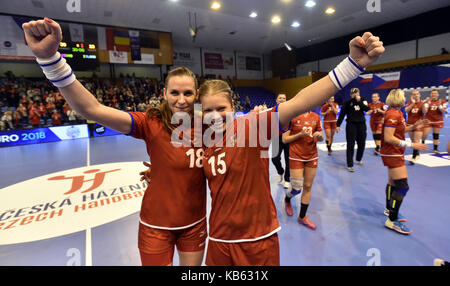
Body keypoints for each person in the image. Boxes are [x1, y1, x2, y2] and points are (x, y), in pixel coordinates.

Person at [22, 18, 207, 266]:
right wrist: (50, 60)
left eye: (187, 93)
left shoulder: (209, 126)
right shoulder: (149, 122)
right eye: (174, 92)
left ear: (196, 94)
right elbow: (92, 109)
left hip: (195, 224)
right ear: (164, 94)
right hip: (155, 226)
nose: (181, 99)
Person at [197, 31, 384, 265]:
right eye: (208, 110)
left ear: (232, 105)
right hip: (219, 240)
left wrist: (352, 66)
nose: (215, 116)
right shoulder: (201, 140)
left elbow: (300, 102)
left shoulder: (252, 126)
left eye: (221, 108)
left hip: (258, 239)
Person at [380, 89, 428, 234]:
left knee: (393, 183)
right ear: (398, 98)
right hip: (392, 153)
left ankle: (389, 210)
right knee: (402, 186)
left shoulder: (397, 112)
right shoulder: (393, 114)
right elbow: (389, 137)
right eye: (403, 96)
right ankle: (392, 220)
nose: (405, 98)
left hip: (393, 152)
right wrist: (411, 144)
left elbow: (398, 131)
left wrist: (413, 127)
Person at [282, 110, 323, 230]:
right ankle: (287, 199)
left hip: (312, 155)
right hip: (296, 155)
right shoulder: (292, 116)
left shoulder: (315, 117)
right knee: (296, 188)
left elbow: (320, 136)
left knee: (308, 186)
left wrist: (319, 136)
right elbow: (285, 139)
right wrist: (300, 134)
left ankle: (302, 217)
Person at [336, 88, 370, 172]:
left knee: (362, 143)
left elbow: (367, 109)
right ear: (350, 94)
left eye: (356, 93)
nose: (355, 94)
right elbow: (342, 114)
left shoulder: (363, 100)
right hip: (351, 125)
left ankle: (358, 159)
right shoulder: (347, 102)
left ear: (359, 93)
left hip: (361, 124)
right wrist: (338, 125)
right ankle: (350, 164)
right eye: (353, 93)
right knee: (350, 144)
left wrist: (359, 102)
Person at [271, 93, 291, 189]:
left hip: (288, 138)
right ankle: (280, 171)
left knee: (288, 160)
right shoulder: (272, 111)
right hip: (276, 138)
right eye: (280, 98)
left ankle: (287, 179)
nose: (282, 99)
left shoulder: (291, 111)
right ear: (276, 100)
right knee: (274, 158)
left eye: (284, 98)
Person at [422, 89, 448, 154]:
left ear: (438, 94)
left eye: (435, 93)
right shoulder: (428, 102)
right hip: (428, 120)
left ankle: (435, 149)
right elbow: (425, 112)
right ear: (431, 94)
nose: (434, 94)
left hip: (438, 120)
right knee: (425, 134)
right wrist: (424, 104)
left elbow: (444, 111)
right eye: (432, 93)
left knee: (436, 135)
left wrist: (439, 106)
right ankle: (422, 143)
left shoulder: (442, 101)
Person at [405, 90, 424, 164]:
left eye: (417, 94)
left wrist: (423, 105)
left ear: (419, 95)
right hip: (410, 124)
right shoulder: (409, 103)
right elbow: (406, 110)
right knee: (413, 141)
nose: (415, 95)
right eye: (414, 94)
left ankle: (414, 156)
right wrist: (412, 103)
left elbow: (425, 112)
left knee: (416, 140)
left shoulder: (422, 103)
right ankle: (417, 153)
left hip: (419, 124)